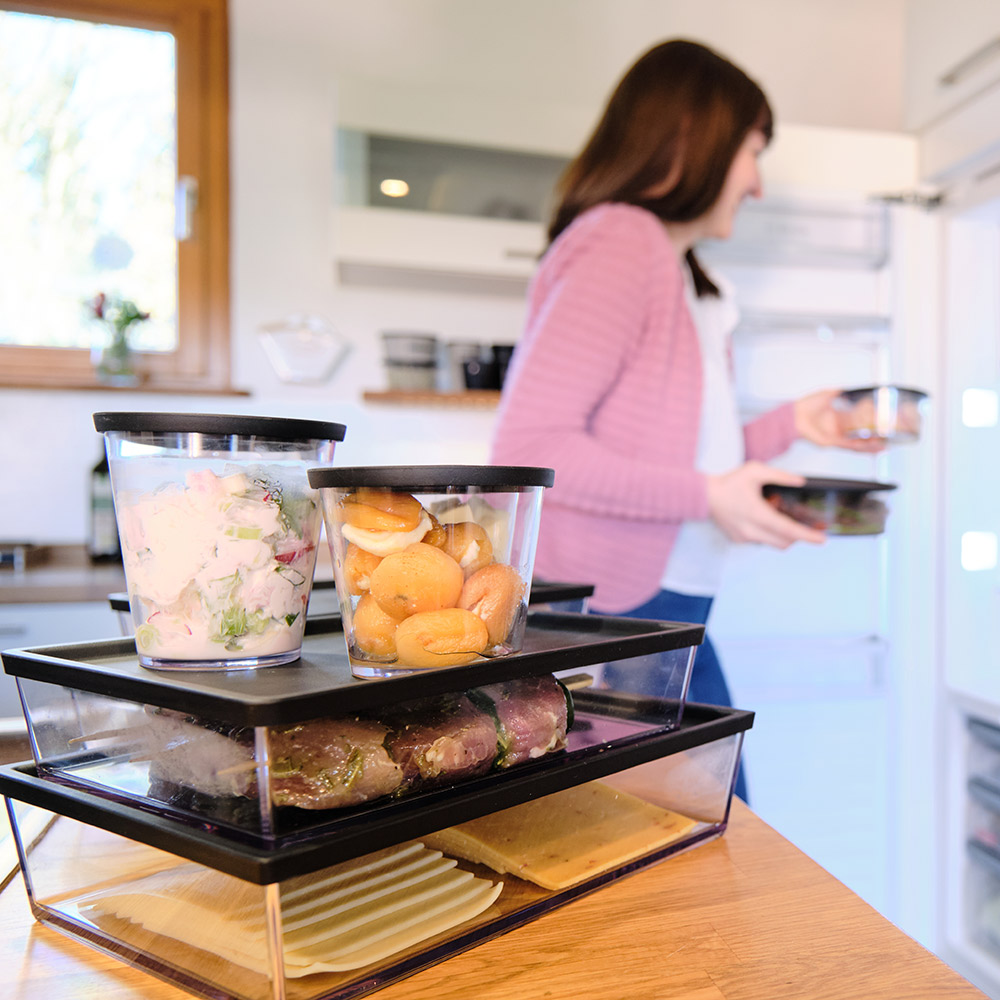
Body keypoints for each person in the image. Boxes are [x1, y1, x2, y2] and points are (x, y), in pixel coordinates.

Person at [487, 39, 880, 801]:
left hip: (663, 612)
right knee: (705, 839)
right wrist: (711, 498)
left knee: (707, 833)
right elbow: (533, 447)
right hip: (616, 620)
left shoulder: (678, 272)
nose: (758, 182)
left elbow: (691, 457)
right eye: (752, 151)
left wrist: (792, 423)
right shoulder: (621, 243)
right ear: (694, 138)